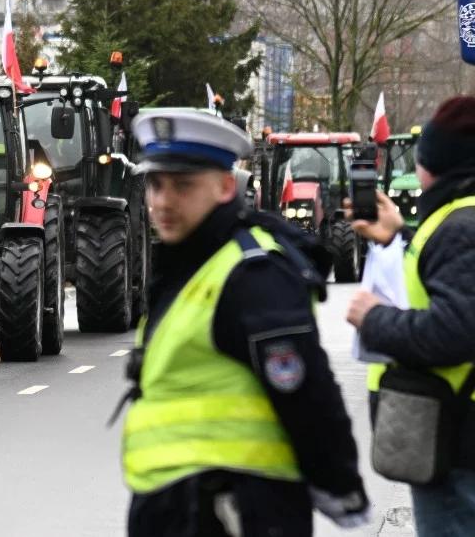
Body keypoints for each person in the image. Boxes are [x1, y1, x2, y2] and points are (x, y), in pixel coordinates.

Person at [121, 109, 368, 536]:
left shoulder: (252, 273)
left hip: (235, 508)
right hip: (177, 506)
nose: (162, 201)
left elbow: (306, 391)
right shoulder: (190, 266)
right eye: (155, 185)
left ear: (223, 186)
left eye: (182, 186)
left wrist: (339, 485)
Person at [346, 96, 475, 536]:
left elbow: (456, 331)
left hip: (459, 448)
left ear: (433, 163)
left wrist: (375, 318)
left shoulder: (462, 226)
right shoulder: (458, 220)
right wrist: (396, 237)